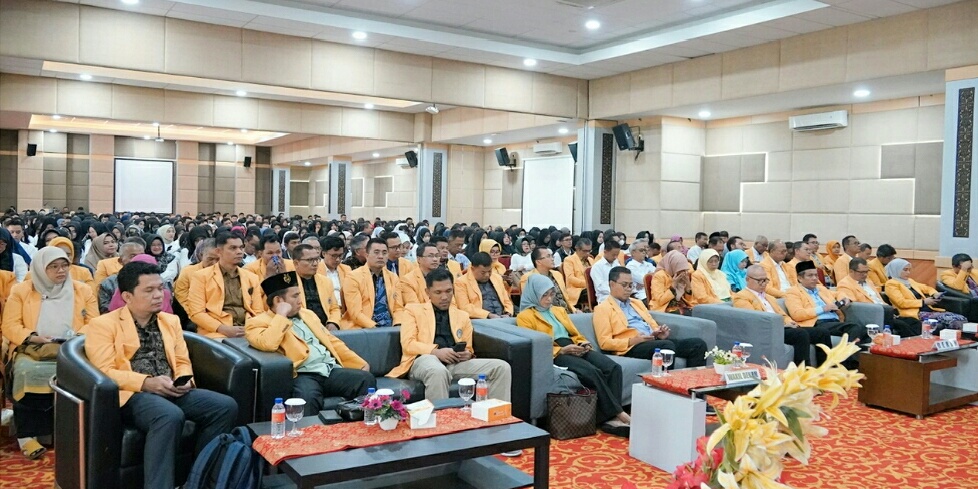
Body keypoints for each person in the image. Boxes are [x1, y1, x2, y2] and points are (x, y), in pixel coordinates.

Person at [85, 261, 237, 489]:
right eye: (149, 290)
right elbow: (105, 371)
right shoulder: (103, 325)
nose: (159, 295)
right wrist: (146, 383)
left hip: (170, 387)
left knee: (225, 406)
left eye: (160, 288)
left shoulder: (170, 320)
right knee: (169, 415)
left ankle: (198, 479)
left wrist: (185, 380)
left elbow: (182, 360)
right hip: (134, 394)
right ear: (127, 296)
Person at [1, 247, 98, 459]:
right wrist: (33, 336)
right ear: (40, 269)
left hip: (74, 348)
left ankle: (72, 432)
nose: (61, 271)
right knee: (27, 372)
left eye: (64, 265)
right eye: (53, 267)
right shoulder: (22, 291)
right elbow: (10, 325)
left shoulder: (82, 290)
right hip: (33, 348)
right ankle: (28, 436)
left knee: (87, 373)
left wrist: (75, 337)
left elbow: (94, 322)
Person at [245, 271, 375, 415]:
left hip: (329, 369)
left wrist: (359, 363)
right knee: (307, 398)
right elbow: (268, 343)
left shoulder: (308, 314)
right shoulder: (257, 323)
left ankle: (360, 426)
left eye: (299, 295)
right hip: (303, 374)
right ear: (278, 301)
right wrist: (281, 316)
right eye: (295, 296)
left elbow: (332, 341)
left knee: (365, 379)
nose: (300, 300)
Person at [517, 274, 630, 436]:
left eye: (551, 294)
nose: (549, 299)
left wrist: (583, 343)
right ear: (534, 294)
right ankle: (618, 413)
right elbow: (536, 345)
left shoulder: (558, 310)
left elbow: (574, 333)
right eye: (544, 295)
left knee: (613, 367)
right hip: (556, 351)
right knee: (592, 372)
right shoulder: (525, 317)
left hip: (573, 345)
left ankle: (606, 418)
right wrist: (561, 350)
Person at [387, 268, 512, 402]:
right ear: (427, 292)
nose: (444, 297)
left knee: (501, 367)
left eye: (448, 291)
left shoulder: (462, 316)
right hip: (424, 360)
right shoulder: (413, 310)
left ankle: (496, 413)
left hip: (454, 363)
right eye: (438, 292)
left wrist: (467, 354)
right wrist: (436, 352)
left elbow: (468, 348)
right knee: (437, 371)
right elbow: (408, 344)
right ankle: (440, 415)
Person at [593, 266, 707, 368]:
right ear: (612, 284)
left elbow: (652, 324)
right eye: (624, 285)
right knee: (666, 346)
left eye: (631, 285)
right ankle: (664, 383)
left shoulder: (636, 303)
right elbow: (604, 343)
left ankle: (692, 384)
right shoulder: (603, 308)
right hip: (631, 347)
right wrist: (632, 341)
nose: (628, 289)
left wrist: (658, 332)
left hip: (652, 341)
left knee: (698, 344)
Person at [733, 265, 830, 367]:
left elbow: (783, 315)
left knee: (822, 333)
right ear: (748, 279)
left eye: (765, 280)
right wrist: (783, 325)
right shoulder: (741, 297)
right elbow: (754, 319)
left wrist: (789, 322)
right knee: (800, 334)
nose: (764, 284)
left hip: (784, 327)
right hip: (769, 330)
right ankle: (803, 370)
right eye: (760, 281)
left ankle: (827, 369)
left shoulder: (769, 297)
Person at [785, 261, 867, 369]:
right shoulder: (793, 292)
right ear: (800, 278)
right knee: (855, 327)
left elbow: (838, 293)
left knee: (864, 330)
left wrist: (844, 298)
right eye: (810, 275)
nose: (815, 278)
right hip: (818, 323)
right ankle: (848, 365)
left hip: (834, 322)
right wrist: (823, 308)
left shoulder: (821, 289)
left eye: (816, 275)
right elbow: (797, 314)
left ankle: (866, 365)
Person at [186, 232, 264, 339]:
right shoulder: (201, 276)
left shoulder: (251, 277)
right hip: (215, 332)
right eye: (233, 248)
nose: (239, 252)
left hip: (248, 329)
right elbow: (196, 313)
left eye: (241, 247)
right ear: (219, 252)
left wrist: (251, 328)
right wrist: (222, 328)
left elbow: (258, 311)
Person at [837, 258, 920, 337]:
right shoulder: (845, 284)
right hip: (870, 314)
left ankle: (919, 343)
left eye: (866, 271)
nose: (865, 275)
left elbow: (878, 299)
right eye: (861, 272)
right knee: (902, 325)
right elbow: (846, 299)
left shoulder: (868, 281)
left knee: (914, 322)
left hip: (885, 311)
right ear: (851, 271)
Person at [885, 258, 967, 331]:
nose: (908, 273)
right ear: (896, 270)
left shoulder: (909, 281)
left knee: (961, 318)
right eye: (905, 270)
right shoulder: (891, 284)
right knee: (954, 320)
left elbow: (927, 288)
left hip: (927, 310)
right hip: (913, 313)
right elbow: (901, 303)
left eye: (909, 270)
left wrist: (935, 293)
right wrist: (923, 302)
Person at [341, 238, 403, 328]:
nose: (381, 256)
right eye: (376, 252)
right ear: (367, 255)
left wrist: (398, 324)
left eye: (384, 253)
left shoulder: (393, 278)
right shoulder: (353, 277)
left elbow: (398, 308)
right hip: (363, 327)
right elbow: (355, 313)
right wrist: (375, 328)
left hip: (391, 327)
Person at [290, 243, 342, 330]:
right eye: (310, 260)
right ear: (296, 263)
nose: (315, 264)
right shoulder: (289, 284)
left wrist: (333, 322)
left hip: (326, 327)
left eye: (317, 259)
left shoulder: (326, 281)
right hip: (302, 328)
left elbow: (334, 308)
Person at [455, 252, 514, 319]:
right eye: (483, 272)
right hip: (479, 319)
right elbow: (464, 307)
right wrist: (488, 315)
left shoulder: (497, 278)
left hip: (503, 317)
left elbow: (507, 300)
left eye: (489, 271)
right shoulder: (461, 282)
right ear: (472, 269)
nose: (487, 275)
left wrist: (508, 313)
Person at [520, 247, 574, 312]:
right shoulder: (528, 278)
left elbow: (566, 297)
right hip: (545, 313)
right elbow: (530, 302)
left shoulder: (557, 274)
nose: (552, 259)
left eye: (552, 256)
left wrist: (574, 309)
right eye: (548, 256)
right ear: (538, 262)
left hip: (565, 311)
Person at [97, 241, 146, 313]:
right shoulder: (109, 283)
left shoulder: (156, 281)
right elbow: (105, 309)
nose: (138, 259)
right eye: (133, 256)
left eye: (141, 256)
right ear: (120, 261)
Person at [647, 250, 698, 314]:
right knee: (688, 314)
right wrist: (673, 285)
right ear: (673, 266)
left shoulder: (682, 275)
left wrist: (688, 286)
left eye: (685, 270)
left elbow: (689, 301)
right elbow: (660, 301)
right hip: (664, 308)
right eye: (681, 269)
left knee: (700, 312)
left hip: (680, 306)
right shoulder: (659, 276)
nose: (684, 273)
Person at [173, 239, 217, 312]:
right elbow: (182, 299)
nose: (214, 263)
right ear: (201, 255)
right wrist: (198, 315)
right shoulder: (187, 272)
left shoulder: (226, 272)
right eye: (210, 259)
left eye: (218, 259)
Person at [560, 237, 594, 310]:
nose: (588, 253)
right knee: (592, 292)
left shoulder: (591, 260)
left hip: (592, 286)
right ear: (577, 249)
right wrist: (588, 284)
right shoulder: (569, 260)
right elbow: (570, 279)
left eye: (589, 251)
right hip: (577, 289)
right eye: (585, 251)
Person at [590, 238, 623, 304]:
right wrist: (616, 291)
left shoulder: (617, 264)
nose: (615, 257)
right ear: (605, 252)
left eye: (617, 255)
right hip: (605, 297)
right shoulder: (597, 267)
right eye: (613, 255)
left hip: (620, 294)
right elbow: (600, 287)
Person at [320, 236, 351, 306]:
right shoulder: (316, 271)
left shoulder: (346, 270)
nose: (337, 259)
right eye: (334, 256)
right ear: (323, 253)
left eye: (340, 255)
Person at [625, 239, 657, 305]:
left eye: (645, 250)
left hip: (654, 292)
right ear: (633, 252)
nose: (644, 252)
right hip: (641, 296)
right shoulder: (630, 266)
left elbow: (658, 277)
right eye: (641, 250)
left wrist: (646, 283)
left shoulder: (649, 264)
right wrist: (649, 279)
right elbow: (644, 280)